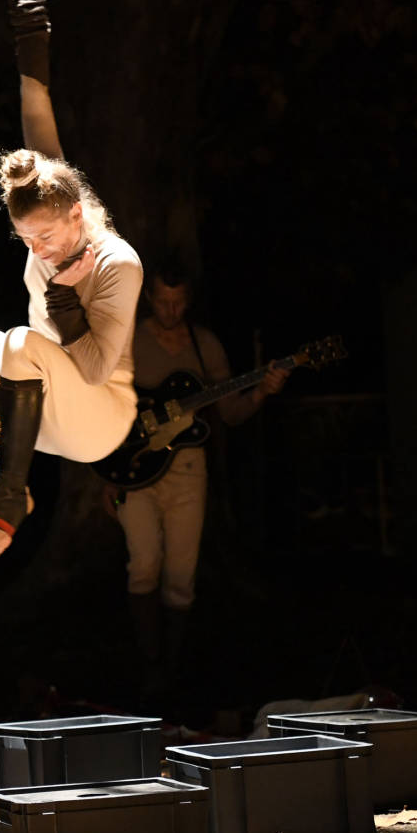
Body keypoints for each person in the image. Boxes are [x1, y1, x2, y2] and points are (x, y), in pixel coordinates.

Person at [0, 0, 142, 571]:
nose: (37, 249)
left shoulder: (117, 263)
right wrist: (27, 2)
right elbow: (36, 103)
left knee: (16, 343)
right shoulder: (50, 190)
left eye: (44, 236)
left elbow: (94, 370)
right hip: (35, 413)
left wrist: (63, 297)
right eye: (25, 239)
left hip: (98, 420)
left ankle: (12, 499)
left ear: (76, 216)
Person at [117, 263, 287, 693]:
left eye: (178, 303)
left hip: (188, 468)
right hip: (135, 469)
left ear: (188, 301)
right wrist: (106, 475)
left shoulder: (204, 344)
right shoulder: (129, 340)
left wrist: (261, 391)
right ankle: (148, 665)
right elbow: (105, 407)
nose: (170, 311)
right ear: (149, 298)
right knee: (143, 565)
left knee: (181, 576)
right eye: (162, 301)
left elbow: (230, 412)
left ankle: (172, 672)